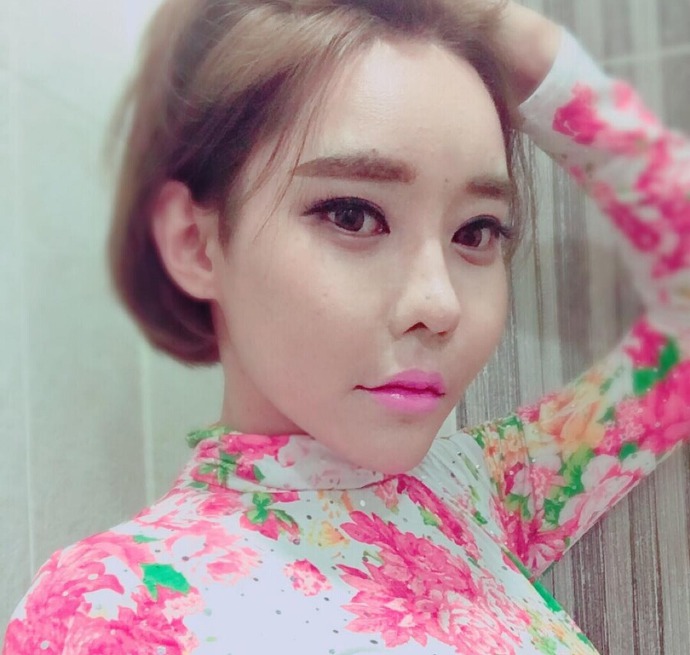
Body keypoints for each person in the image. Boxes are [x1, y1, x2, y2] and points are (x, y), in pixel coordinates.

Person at [3, 0, 689, 653]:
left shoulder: (471, 492)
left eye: (477, 230)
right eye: (352, 215)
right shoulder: (110, 608)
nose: (440, 303)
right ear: (195, 242)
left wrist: (511, 37)